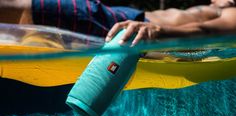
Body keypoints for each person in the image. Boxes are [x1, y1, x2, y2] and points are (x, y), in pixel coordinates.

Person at [0, 0, 236, 47]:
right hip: (128, 22)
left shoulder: (231, 8)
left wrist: (158, 32)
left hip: (128, 26)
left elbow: (209, 31)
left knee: (24, 9)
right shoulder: (216, 5)